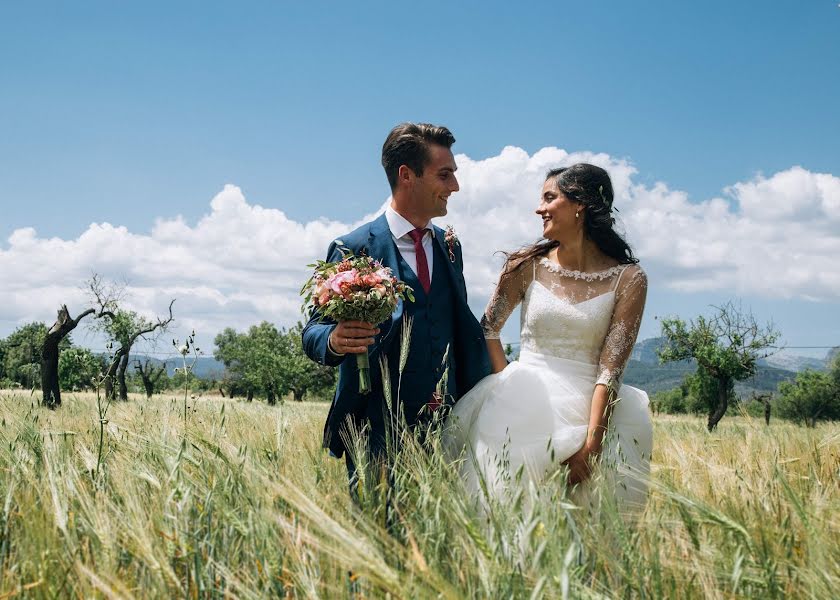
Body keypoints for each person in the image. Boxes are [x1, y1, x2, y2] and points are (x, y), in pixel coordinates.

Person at [444, 163, 653, 510]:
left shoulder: (629, 279)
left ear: (579, 205)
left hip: (590, 414)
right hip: (520, 408)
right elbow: (489, 329)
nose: (539, 208)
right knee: (505, 513)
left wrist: (591, 445)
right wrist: (504, 383)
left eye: (549, 197)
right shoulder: (524, 265)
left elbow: (610, 370)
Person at [302, 122, 491, 492]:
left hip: (448, 429)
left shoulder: (450, 248)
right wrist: (335, 339)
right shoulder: (352, 248)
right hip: (375, 430)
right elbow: (312, 332)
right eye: (445, 175)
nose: (455, 186)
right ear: (407, 176)